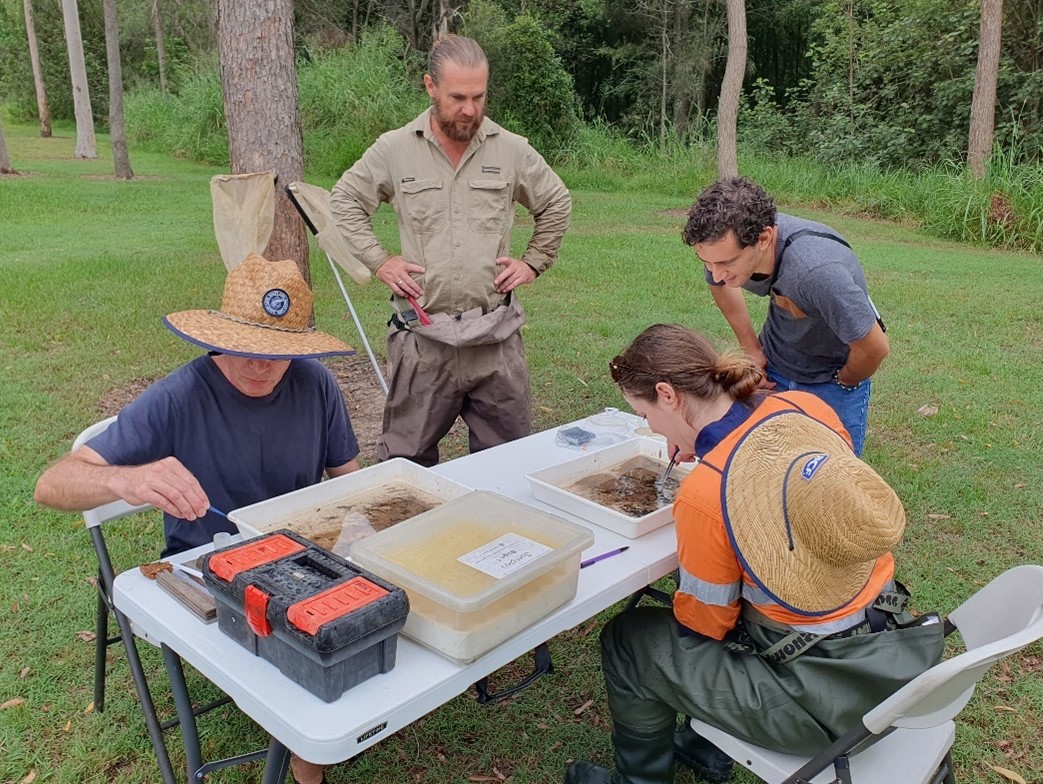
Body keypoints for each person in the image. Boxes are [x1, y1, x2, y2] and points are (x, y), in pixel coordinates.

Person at [565, 324, 944, 784]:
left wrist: (710, 478)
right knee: (746, 605)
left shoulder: (708, 494)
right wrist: (706, 446)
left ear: (668, 395)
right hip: (893, 653)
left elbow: (705, 624)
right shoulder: (807, 407)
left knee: (631, 639)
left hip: (829, 706)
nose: (650, 426)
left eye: (644, 413)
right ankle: (705, 749)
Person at [34, 253, 361, 784]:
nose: (259, 365)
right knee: (304, 644)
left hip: (299, 555)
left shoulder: (316, 384)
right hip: (206, 569)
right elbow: (51, 484)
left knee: (369, 607)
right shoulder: (180, 395)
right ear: (220, 335)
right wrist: (126, 480)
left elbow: (351, 482)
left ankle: (319, 739)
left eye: (275, 354)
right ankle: (307, 767)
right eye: (245, 349)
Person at [330, 34, 572, 467]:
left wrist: (534, 261)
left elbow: (556, 201)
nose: (470, 109)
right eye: (458, 97)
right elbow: (345, 200)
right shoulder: (395, 148)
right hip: (424, 340)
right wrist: (380, 261)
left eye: (479, 96)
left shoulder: (511, 149)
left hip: (494, 338)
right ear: (430, 86)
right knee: (404, 467)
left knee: (510, 464)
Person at [683, 177, 888, 456]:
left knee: (831, 476)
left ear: (764, 238)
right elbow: (717, 284)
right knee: (766, 463)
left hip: (830, 377)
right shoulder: (723, 246)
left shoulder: (817, 272)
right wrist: (750, 347)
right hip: (775, 363)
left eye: (726, 263)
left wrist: (844, 381)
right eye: (707, 262)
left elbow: (874, 348)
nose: (716, 273)